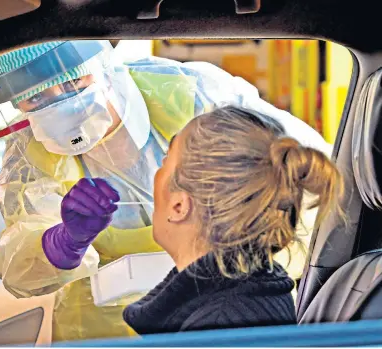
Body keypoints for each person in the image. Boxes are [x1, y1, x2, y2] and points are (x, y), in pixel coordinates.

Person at [0, 40, 332, 342]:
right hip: (96, 331)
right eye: (35, 97)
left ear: (104, 64)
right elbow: (20, 263)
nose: (62, 102)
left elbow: (295, 169)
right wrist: (62, 242)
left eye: (75, 80)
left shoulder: (192, 94)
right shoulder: (30, 155)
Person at [123, 106, 345, 334]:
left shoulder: (221, 324)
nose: (157, 171)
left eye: (166, 160)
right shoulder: (246, 294)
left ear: (179, 206)